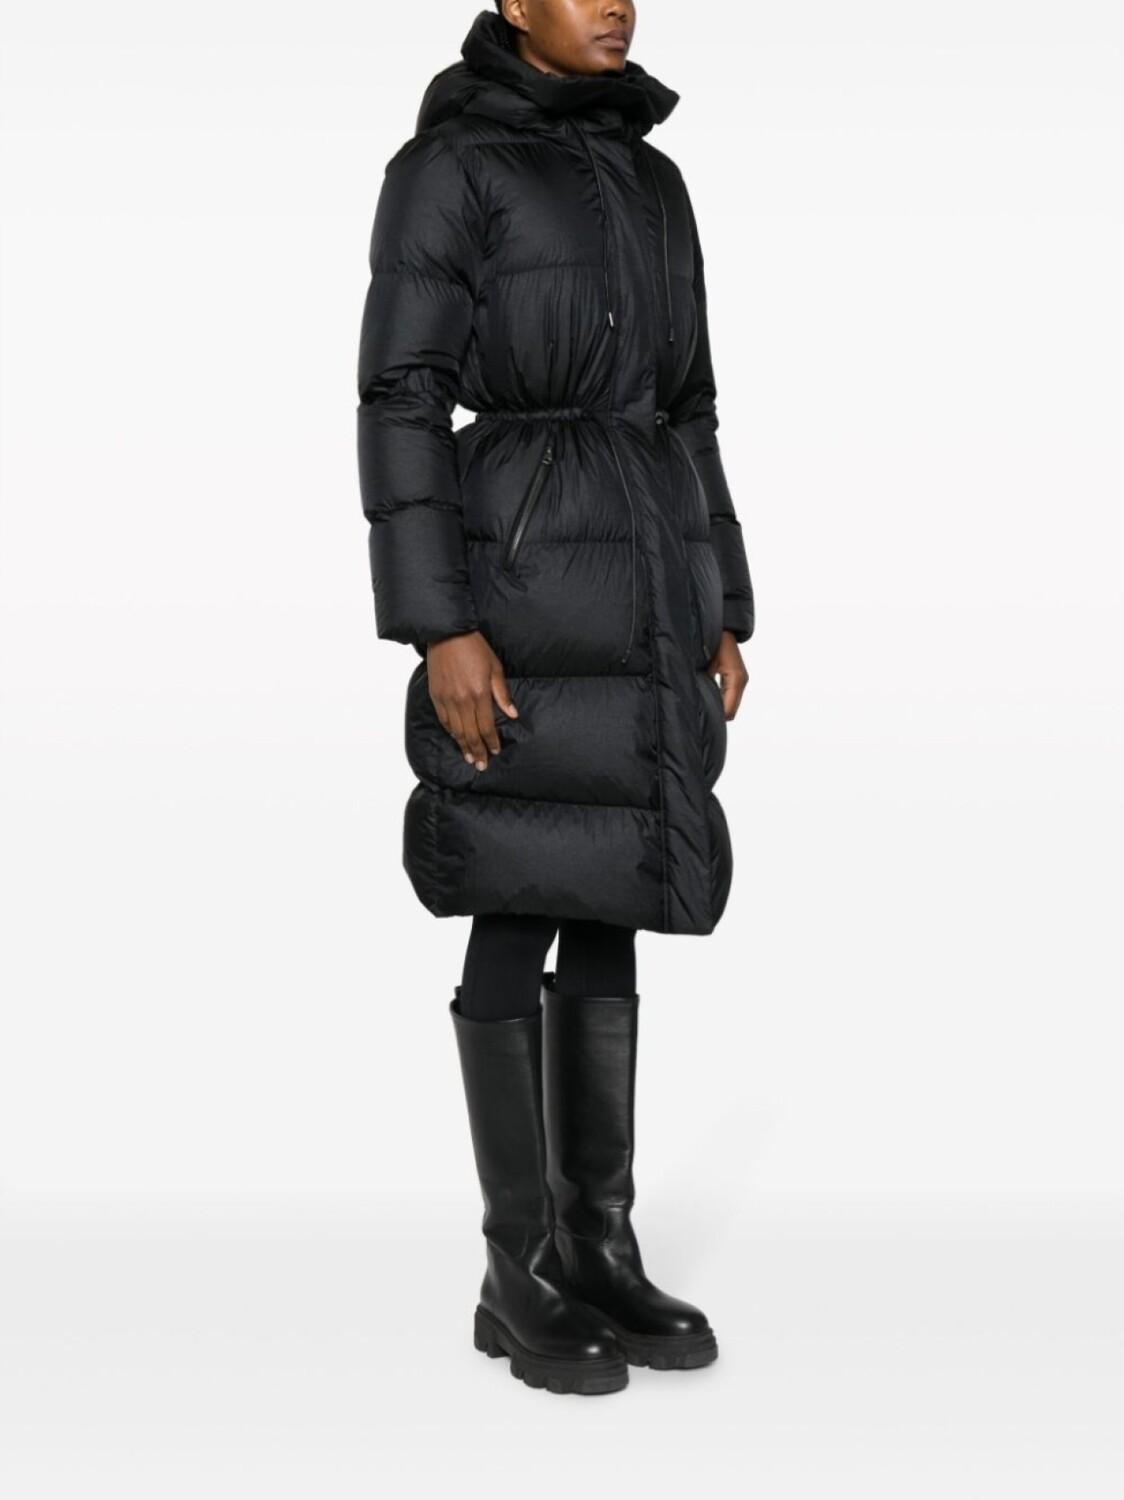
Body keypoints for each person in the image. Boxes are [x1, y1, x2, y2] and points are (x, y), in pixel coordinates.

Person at [355, 2, 753, 1396]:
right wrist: (440, 624)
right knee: (519, 883)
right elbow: (400, 396)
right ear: (515, 3)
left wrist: (724, 597)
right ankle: (515, 1263)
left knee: (609, 881)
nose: (615, 3)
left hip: (646, 570)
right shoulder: (448, 168)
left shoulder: (655, 178)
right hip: (518, 573)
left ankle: (600, 1243)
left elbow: (691, 404)